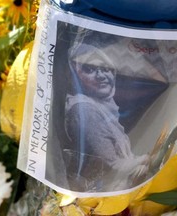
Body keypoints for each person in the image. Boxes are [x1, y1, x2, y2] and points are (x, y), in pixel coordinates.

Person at [63, 43, 149, 192]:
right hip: (96, 200)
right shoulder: (85, 110)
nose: (101, 75)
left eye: (106, 69)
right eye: (89, 69)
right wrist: (147, 159)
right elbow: (112, 167)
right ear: (75, 76)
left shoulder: (100, 107)